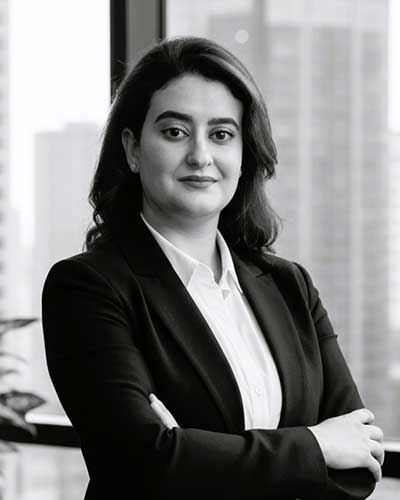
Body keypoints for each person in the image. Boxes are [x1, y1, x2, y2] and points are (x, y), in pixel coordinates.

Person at [42, 36, 384, 499]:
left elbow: (361, 462)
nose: (200, 156)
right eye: (174, 132)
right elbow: (141, 462)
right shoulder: (87, 288)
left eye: (221, 134)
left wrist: (195, 455)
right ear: (133, 148)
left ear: (244, 154)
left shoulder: (290, 285)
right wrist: (317, 445)